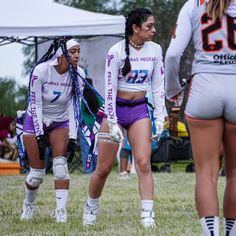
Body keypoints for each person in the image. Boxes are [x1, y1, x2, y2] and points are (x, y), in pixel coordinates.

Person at [83, 8, 165, 228]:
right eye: (149, 26)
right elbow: (109, 89)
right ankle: (91, 208)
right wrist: (111, 120)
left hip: (139, 110)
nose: (154, 30)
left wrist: (160, 117)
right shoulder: (116, 51)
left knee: (144, 163)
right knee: (104, 168)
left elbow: (158, 86)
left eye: (154, 25)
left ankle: (148, 215)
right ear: (135, 28)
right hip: (115, 111)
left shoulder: (155, 50)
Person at [165, 0, 236, 235]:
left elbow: (173, 54)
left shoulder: (193, 4)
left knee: (206, 173)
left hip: (205, 86)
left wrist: (172, 90)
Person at [20, 36, 85, 223]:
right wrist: (40, 134)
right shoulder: (41, 71)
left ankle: (61, 212)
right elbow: (36, 104)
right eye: (72, 51)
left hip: (60, 121)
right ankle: (28, 206)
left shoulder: (77, 74)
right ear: (60, 53)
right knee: (36, 175)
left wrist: (72, 137)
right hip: (36, 120)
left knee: (60, 168)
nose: (77, 55)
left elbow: (75, 106)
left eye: (78, 51)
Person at [79, 78, 103, 174]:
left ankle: (88, 169)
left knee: (86, 148)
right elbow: (103, 106)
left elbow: (79, 111)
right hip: (96, 125)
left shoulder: (82, 97)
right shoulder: (96, 95)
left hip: (85, 125)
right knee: (95, 148)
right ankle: (97, 169)